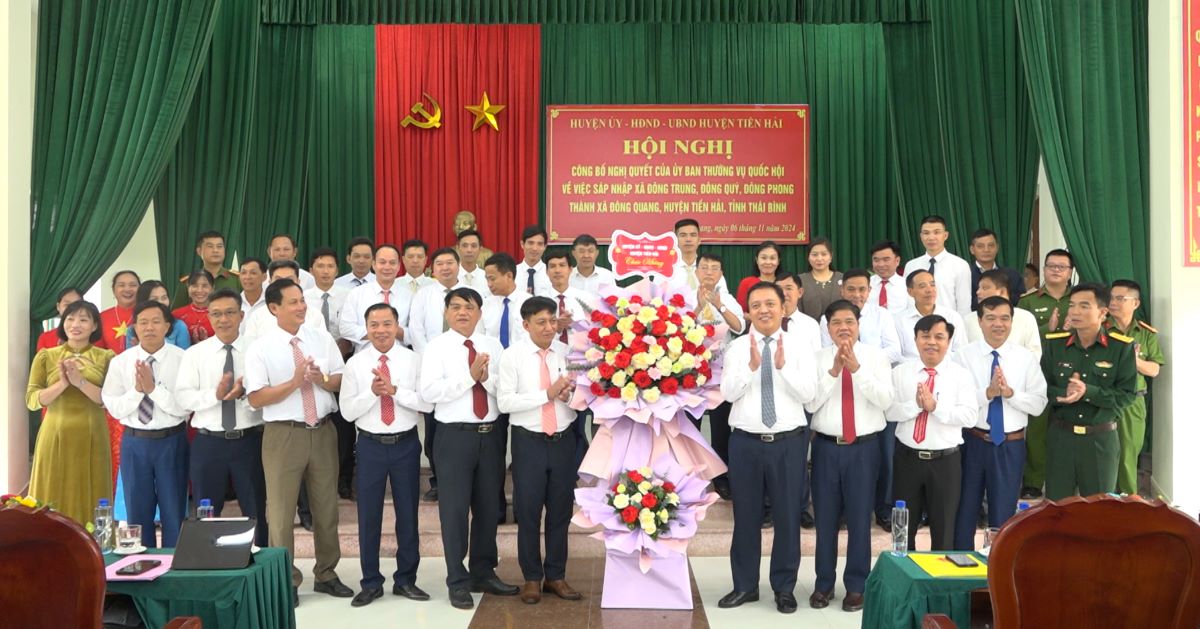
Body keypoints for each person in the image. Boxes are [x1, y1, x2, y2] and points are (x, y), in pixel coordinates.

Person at [245, 278, 352, 606]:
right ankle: (285, 579)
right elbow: (256, 398)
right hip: (283, 435)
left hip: (322, 430)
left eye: (302, 301)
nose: (301, 307)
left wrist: (319, 379)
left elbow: (339, 379)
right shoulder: (260, 348)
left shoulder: (321, 339)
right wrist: (294, 382)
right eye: (293, 302)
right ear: (274, 308)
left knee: (326, 507)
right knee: (279, 512)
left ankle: (327, 573)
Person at [717, 282, 818, 615]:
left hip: (788, 444)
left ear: (783, 307)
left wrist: (781, 366)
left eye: (770, 303)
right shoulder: (735, 349)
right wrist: (750, 366)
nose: (764, 310)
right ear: (747, 311)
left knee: (788, 517)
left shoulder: (800, 346)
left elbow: (809, 395)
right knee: (745, 517)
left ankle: (784, 587)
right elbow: (728, 394)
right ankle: (745, 586)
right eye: (756, 304)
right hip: (746, 442)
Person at [419, 288, 517, 610]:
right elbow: (430, 392)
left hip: (490, 435)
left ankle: (483, 572)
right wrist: (468, 376)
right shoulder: (436, 347)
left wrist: (484, 378)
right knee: (455, 511)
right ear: (447, 313)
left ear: (479, 312)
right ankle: (456, 580)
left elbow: (503, 389)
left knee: (490, 507)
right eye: (456, 307)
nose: (463, 312)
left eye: (469, 307)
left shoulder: (493, 345)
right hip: (453, 436)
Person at [340, 303, 432, 607]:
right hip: (369, 447)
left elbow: (426, 404)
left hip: (405, 444)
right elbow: (347, 411)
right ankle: (370, 583)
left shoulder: (413, 359)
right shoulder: (354, 363)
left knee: (408, 515)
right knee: (369, 517)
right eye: (374, 324)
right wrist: (372, 392)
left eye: (387, 324)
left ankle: (406, 580)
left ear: (397, 326)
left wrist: (394, 391)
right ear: (366, 328)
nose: (381, 330)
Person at [806, 300, 893, 613]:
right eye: (836, 323)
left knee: (860, 519)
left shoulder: (877, 358)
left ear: (859, 325)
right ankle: (823, 584)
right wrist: (833, 372)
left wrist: (856, 370)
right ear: (827, 328)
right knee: (826, 519)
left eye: (849, 321)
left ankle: (857, 586)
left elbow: (885, 400)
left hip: (864, 449)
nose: (843, 327)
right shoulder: (816, 359)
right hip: (827, 448)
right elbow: (811, 403)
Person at [497, 297, 583, 605]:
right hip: (529, 441)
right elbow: (505, 402)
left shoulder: (568, 353)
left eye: (552, 321)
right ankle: (532, 578)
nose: (548, 328)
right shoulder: (512, 357)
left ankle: (556, 576)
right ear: (526, 325)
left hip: (563, 440)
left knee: (560, 513)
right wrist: (546, 394)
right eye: (541, 322)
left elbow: (582, 398)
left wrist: (568, 396)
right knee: (529, 513)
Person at [952, 297, 1047, 550]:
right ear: (980, 322)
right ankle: (960, 571)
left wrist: (1010, 394)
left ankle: (997, 575)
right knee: (964, 512)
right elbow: (955, 401)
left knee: (1004, 515)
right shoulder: (963, 357)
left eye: (1005, 318)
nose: (998, 324)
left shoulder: (1025, 358)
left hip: (1010, 445)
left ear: (1012, 322)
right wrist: (989, 393)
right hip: (972, 441)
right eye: (991, 318)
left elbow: (1039, 403)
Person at [175, 289, 269, 547]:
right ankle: (210, 567)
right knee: (207, 512)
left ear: (241, 315)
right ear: (209, 317)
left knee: (256, 510)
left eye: (229, 313)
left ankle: (258, 567)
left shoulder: (258, 349)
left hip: (250, 440)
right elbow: (183, 398)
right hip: (209, 443)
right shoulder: (195, 354)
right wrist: (215, 396)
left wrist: (244, 395)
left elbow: (269, 391)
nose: (223, 319)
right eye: (216, 314)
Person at [101, 301, 189, 548]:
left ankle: (175, 568)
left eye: (156, 321)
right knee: (137, 513)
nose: (149, 327)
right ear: (135, 328)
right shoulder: (121, 362)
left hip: (172, 441)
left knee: (174, 511)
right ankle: (142, 567)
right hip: (135, 442)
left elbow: (184, 408)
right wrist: (139, 392)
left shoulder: (183, 359)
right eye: (143, 322)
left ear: (167, 326)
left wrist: (154, 390)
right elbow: (115, 408)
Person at [886, 314, 977, 551]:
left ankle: (939, 586)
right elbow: (889, 412)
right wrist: (915, 406)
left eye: (939, 337)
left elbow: (969, 416)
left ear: (949, 341)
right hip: (907, 459)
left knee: (944, 529)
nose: (931, 342)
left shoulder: (961, 375)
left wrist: (935, 408)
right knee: (903, 529)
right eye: (925, 336)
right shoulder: (900, 373)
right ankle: (904, 582)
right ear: (915, 340)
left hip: (945, 462)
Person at [1041, 283, 1137, 500]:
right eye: (1072, 305)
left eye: (1084, 306)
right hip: (1061, 438)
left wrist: (1089, 392)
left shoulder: (1121, 348)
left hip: (1100, 440)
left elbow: (1127, 395)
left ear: (1103, 312)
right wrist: (1061, 393)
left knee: (1099, 512)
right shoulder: (1055, 346)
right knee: (1057, 509)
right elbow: (1041, 389)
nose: (1074, 312)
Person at [26, 300, 114, 526]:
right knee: (51, 492)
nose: (76, 324)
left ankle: (94, 549)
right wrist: (63, 384)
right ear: (63, 323)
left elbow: (108, 400)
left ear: (94, 326)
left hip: (92, 434)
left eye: (84, 319)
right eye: (70, 319)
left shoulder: (107, 358)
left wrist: (80, 381)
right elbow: (33, 401)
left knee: (93, 494)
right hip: (54, 434)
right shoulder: (46, 356)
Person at [1017, 248, 1075, 499]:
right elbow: (1019, 338)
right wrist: (1046, 328)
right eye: (1051, 266)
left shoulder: (1080, 298)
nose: (1055, 270)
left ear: (1070, 271)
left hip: (1074, 373)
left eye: (1061, 267)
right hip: (1040, 372)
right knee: (1037, 429)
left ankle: (1068, 481)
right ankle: (1032, 481)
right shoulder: (1028, 301)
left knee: (1071, 428)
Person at [1105, 280, 1165, 495]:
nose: (1114, 303)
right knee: (1104, 452)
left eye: (1120, 299)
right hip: (1104, 399)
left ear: (1136, 303)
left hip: (1133, 401)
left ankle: (1129, 501)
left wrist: (1132, 360)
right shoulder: (1100, 329)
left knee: (1129, 452)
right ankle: (1103, 499)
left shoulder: (1146, 333)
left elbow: (1154, 370)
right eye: (1112, 298)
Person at [692, 253, 745, 499]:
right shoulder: (684, 296)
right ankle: (691, 477)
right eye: (705, 267)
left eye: (715, 268)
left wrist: (719, 304)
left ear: (722, 273)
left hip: (721, 374)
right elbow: (678, 327)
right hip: (690, 374)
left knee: (721, 428)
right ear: (696, 271)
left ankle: (722, 476)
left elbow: (739, 327)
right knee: (690, 428)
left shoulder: (729, 299)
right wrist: (699, 306)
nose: (709, 272)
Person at [306, 247, 354, 499]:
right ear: (311, 269)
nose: (325, 271)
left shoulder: (349, 295)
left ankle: (344, 479)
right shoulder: (302, 298)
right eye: (320, 266)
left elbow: (352, 327)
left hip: (345, 362)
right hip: (312, 367)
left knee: (344, 426)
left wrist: (340, 349)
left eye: (330, 266)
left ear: (337, 269)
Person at [819, 268, 903, 365]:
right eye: (851, 289)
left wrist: (861, 362)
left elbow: (895, 351)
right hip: (841, 371)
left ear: (869, 290)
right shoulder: (828, 318)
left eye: (862, 289)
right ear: (842, 290)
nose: (857, 295)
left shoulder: (882, 314)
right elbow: (826, 351)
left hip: (875, 370)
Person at [340, 244, 411, 353]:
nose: (387, 267)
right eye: (382, 262)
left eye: (392, 263)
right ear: (374, 264)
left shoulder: (409, 296)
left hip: (400, 357)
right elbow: (345, 328)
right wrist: (378, 332)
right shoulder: (356, 294)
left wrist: (395, 331)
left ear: (398, 266)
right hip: (365, 356)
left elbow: (416, 332)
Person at [242, 261, 328, 346]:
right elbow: (249, 350)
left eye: (289, 280)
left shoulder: (315, 315)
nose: (284, 285)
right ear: (270, 282)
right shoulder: (257, 316)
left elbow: (323, 348)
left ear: (298, 282)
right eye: (278, 280)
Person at [902, 216, 972, 318]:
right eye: (926, 233)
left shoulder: (960, 265)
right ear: (921, 236)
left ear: (945, 235)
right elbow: (907, 299)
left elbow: (964, 304)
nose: (931, 237)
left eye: (937, 232)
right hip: (917, 325)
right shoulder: (911, 265)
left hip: (948, 325)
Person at [963, 269, 1041, 357]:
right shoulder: (968, 320)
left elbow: (1034, 352)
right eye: (978, 288)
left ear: (1002, 292)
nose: (978, 292)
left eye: (985, 288)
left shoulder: (1026, 318)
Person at [894, 270, 966, 361]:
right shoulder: (898, 320)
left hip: (946, 370)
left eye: (932, 285)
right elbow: (897, 355)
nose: (929, 290)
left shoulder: (952, 317)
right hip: (912, 370)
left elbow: (961, 351)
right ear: (910, 291)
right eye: (922, 286)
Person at [172, 231, 242, 308]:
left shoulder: (238, 280)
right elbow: (176, 314)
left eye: (219, 246)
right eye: (210, 246)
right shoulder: (188, 282)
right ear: (199, 251)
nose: (215, 250)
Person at [481, 253, 531, 348]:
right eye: (487, 279)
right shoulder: (485, 305)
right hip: (492, 360)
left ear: (509, 276)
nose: (489, 284)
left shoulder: (529, 303)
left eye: (492, 279)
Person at [667, 219, 729, 294]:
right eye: (683, 235)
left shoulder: (712, 270)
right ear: (675, 240)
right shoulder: (666, 270)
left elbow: (723, 298)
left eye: (693, 235)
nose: (688, 239)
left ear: (699, 240)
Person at [967, 229, 1024, 309]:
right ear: (972, 250)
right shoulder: (966, 275)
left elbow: (1021, 301)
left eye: (990, 245)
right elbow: (965, 304)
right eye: (980, 246)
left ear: (997, 247)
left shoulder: (1012, 274)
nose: (986, 250)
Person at [126, 280, 191, 349]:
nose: (161, 303)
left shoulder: (179, 326)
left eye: (164, 298)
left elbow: (184, 357)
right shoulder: (132, 330)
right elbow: (130, 358)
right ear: (143, 302)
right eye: (154, 299)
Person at [798, 238, 843, 321]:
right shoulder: (800, 280)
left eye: (824, 254)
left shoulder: (842, 279)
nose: (819, 258)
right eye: (814, 255)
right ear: (808, 257)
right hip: (809, 330)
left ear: (831, 256)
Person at [776, 273, 822, 352]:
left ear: (800, 292)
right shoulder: (765, 322)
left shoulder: (810, 324)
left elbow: (816, 356)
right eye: (779, 289)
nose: (783, 293)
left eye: (789, 288)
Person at [98, 270, 140, 353]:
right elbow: (98, 351)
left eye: (133, 285)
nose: (127, 289)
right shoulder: (102, 317)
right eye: (121, 285)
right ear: (114, 290)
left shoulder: (147, 314)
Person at [735, 241, 782, 310]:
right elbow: (740, 312)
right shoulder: (746, 283)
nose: (768, 262)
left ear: (778, 261)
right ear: (757, 260)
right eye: (763, 258)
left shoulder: (784, 283)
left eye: (772, 258)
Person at [172, 270, 215, 345]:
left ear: (212, 289)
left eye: (205, 286)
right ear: (188, 288)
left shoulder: (220, 314)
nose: (199, 290)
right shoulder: (176, 315)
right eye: (195, 286)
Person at [36, 287, 82, 351]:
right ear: (58, 307)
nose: (71, 309)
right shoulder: (45, 338)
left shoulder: (92, 336)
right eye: (67, 305)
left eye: (76, 304)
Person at [868, 240, 907, 314]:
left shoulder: (907, 286)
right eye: (876, 260)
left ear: (897, 261)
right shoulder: (866, 284)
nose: (881, 264)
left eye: (886, 260)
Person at [515, 226, 552, 296]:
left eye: (540, 244)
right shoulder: (513, 273)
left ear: (545, 247)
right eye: (530, 243)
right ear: (522, 244)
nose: (535, 248)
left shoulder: (552, 273)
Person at [456, 229, 492, 298]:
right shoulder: (451, 277)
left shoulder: (488, 278)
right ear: (458, 248)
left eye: (474, 246)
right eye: (465, 246)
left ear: (480, 249)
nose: (469, 250)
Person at [238, 258, 269, 322]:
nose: (247, 277)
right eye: (243, 273)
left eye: (253, 273)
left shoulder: (271, 302)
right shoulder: (235, 302)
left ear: (264, 277)